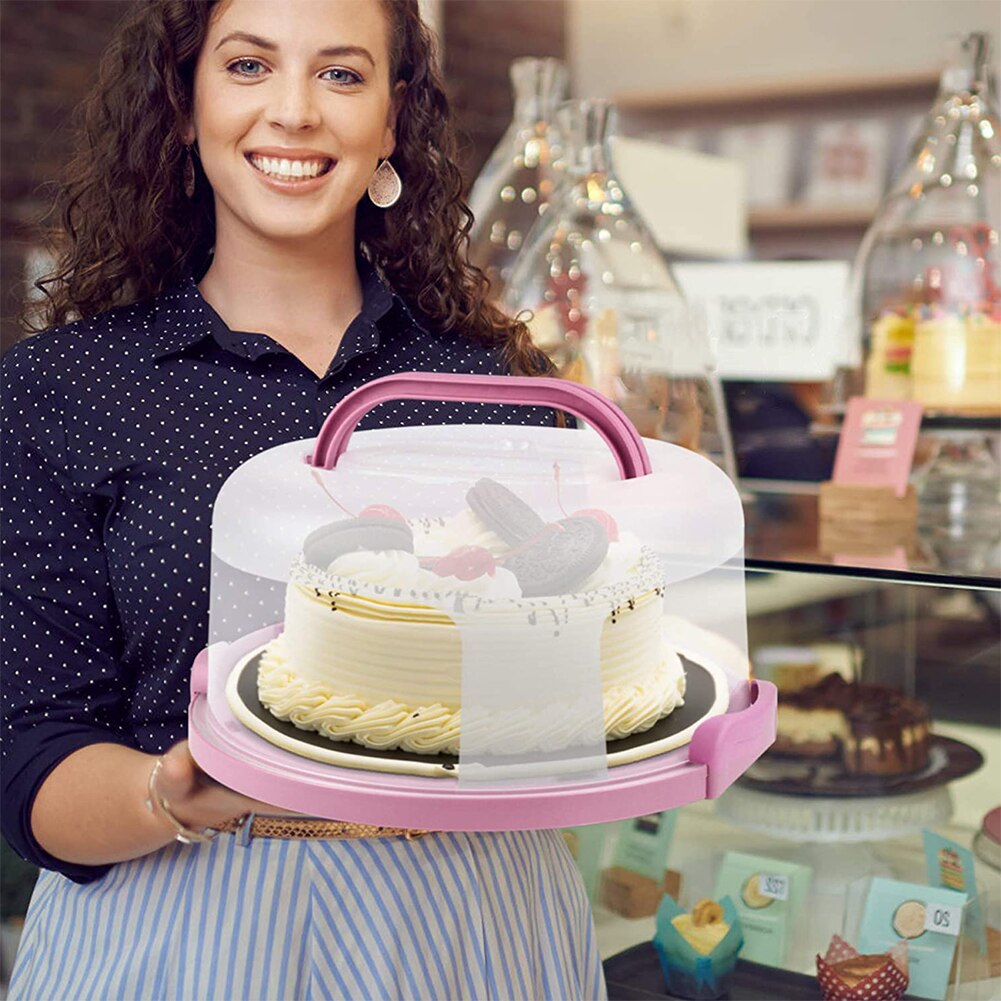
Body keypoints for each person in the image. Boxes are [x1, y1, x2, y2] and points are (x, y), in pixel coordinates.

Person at [1, 1, 605, 998]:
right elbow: (33, 762)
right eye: (247, 66)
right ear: (184, 104)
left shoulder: (489, 381)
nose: (293, 111)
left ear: (390, 118)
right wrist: (174, 788)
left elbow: (558, 678)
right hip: (176, 922)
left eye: (339, 74)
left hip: (473, 917)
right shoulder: (64, 387)